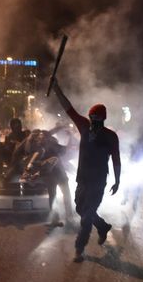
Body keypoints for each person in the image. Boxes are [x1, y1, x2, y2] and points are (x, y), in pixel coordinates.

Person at [51, 78, 120, 262]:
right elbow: (69, 108)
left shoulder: (110, 136)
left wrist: (117, 180)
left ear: (103, 119)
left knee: (87, 215)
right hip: (83, 179)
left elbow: (116, 159)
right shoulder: (84, 127)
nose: (94, 121)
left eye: (97, 119)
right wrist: (57, 88)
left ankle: (79, 248)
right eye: (92, 118)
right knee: (81, 208)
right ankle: (103, 226)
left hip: (98, 181)